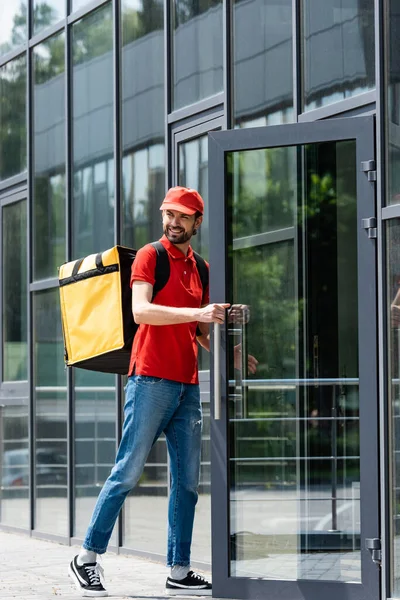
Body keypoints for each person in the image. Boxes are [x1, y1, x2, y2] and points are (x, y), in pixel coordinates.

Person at [68, 186, 243, 598]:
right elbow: (141, 310)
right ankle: (87, 557)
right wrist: (196, 313)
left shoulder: (201, 267)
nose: (174, 222)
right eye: (169, 214)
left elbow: (196, 330)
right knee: (128, 471)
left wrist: (225, 351)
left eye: (183, 216)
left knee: (186, 483)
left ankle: (178, 570)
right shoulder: (151, 256)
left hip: (187, 386)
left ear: (197, 222)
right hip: (149, 379)